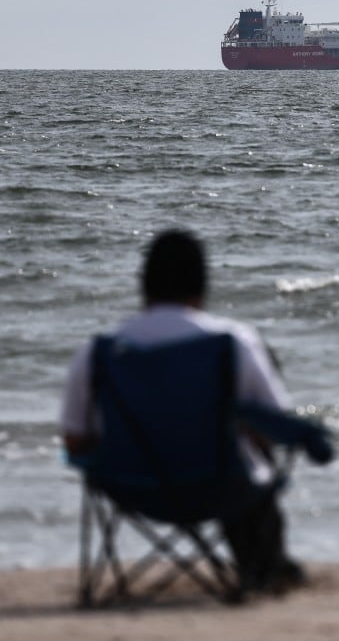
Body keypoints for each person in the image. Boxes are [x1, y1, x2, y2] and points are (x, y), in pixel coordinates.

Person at [61, 228, 308, 593]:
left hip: (130, 490)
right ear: (204, 285)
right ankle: (264, 565)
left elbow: (75, 441)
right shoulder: (232, 343)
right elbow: (277, 426)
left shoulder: (100, 352)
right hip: (220, 487)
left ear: (143, 286)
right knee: (248, 448)